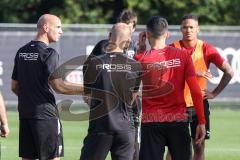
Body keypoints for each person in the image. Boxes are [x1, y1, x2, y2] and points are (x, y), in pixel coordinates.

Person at [11, 14, 83, 160]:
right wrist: (88, 88)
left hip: (26, 114)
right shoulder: (49, 53)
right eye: (58, 27)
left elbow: (14, 86)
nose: (61, 31)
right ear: (45, 27)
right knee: (52, 157)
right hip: (45, 115)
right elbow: (58, 86)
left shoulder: (21, 51)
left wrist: (31, 98)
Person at [134, 16, 206, 160]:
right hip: (178, 121)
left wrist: (140, 50)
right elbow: (196, 91)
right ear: (167, 34)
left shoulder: (140, 59)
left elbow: (132, 91)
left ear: (147, 34)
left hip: (151, 122)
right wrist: (202, 122)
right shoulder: (184, 56)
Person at [166, 14, 234, 160]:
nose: (188, 30)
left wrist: (214, 93)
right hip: (177, 106)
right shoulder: (172, 49)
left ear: (198, 29)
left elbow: (229, 71)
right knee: (173, 149)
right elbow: (163, 74)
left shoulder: (206, 49)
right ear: (180, 29)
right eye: (185, 27)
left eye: (191, 27)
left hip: (199, 106)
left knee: (199, 146)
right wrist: (194, 72)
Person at [84, 9, 141, 160]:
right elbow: (132, 98)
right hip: (126, 128)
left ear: (110, 37)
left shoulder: (95, 63)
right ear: (128, 42)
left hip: (100, 126)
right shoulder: (136, 66)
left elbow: (87, 96)